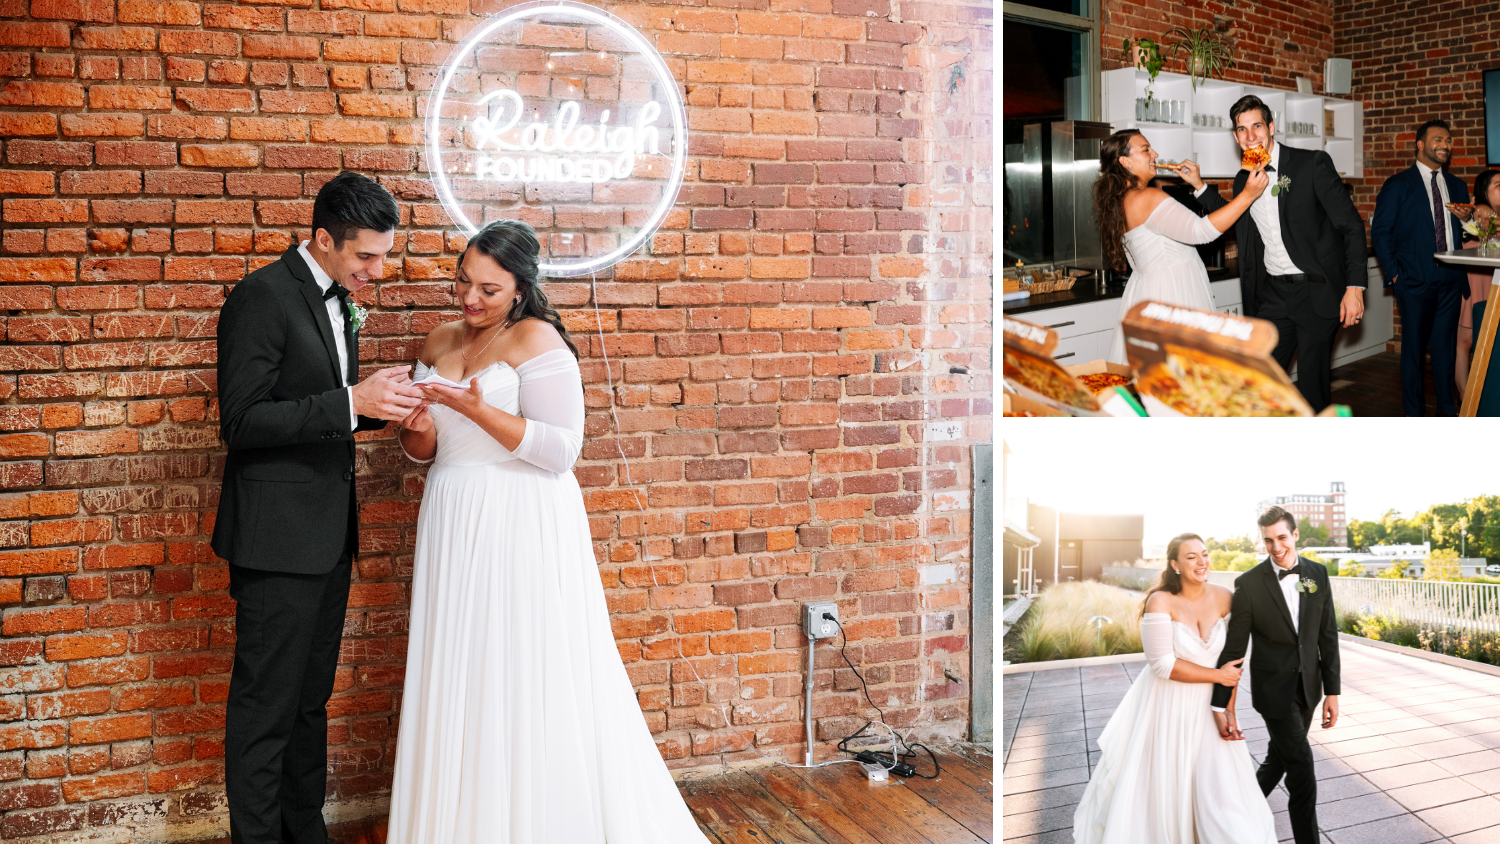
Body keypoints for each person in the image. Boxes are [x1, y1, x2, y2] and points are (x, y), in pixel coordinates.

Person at [388, 220, 709, 843]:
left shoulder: (536, 339)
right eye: (464, 283)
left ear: (519, 289)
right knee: (462, 665)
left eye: (489, 289)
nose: (471, 300)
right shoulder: (439, 339)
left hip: (522, 520)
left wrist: (477, 407)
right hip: (453, 514)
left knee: (522, 665)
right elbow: (420, 450)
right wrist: (420, 423)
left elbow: (563, 450)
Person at [214, 172, 426, 844]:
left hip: (330, 539)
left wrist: (376, 406)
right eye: (366, 256)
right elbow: (242, 421)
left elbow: (322, 410)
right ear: (323, 239)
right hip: (276, 542)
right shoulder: (261, 297)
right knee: (264, 710)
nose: (377, 270)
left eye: (384, 256)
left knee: (309, 706)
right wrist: (348, 403)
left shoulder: (340, 301)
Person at [1073, 533, 1274, 844]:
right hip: (1168, 705)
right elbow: (1162, 665)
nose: (1202, 561)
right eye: (1191, 556)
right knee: (1168, 787)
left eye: (1204, 554)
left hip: (1211, 705)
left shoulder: (1225, 597)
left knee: (1221, 793)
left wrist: (1226, 708)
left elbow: (1233, 662)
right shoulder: (1161, 600)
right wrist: (1217, 677)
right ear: (1175, 564)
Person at [1192, 95, 1368, 413]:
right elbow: (1234, 216)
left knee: (1312, 390)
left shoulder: (1311, 163)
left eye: (1257, 126)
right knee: (1261, 381)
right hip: (1273, 293)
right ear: (1235, 136)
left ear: (1271, 127)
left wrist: (1354, 288)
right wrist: (1199, 187)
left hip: (1316, 289)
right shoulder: (1243, 178)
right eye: (1242, 129)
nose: (1250, 136)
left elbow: (1352, 227)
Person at [1211, 507, 1341, 844]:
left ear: (1295, 535)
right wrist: (1221, 705)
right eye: (1268, 540)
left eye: (1282, 537)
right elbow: (1234, 649)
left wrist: (1333, 692)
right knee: (1301, 770)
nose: (1276, 546)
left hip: (1309, 688)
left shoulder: (1318, 573)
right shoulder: (1249, 583)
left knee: (1277, 760)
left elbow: (1327, 636)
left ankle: (1232, 816)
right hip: (1273, 691)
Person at [1095, 129, 1269, 364]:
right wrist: (1248, 196)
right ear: (1125, 161)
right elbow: (1201, 231)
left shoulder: (1120, 202)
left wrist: (1198, 184)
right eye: (1146, 150)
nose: (1155, 154)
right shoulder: (1148, 197)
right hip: (1174, 294)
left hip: (1146, 294)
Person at [1370, 119, 1472, 415]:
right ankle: (1414, 416)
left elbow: (1465, 233)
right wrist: (1395, 274)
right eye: (1439, 139)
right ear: (1420, 145)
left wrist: (1467, 220)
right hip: (1414, 281)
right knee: (1414, 353)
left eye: (1449, 141)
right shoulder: (1399, 184)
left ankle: (1446, 411)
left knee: (1445, 352)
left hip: (1451, 280)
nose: (1445, 145)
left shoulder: (1456, 186)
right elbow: (1381, 232)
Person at [1457, 169, 1499, 398]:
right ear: (1484, 191)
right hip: (1476, 277)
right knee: (1467, 340)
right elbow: (1491, 232)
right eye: (1498, 185)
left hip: (1490, 275)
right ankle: (1465, 399)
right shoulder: (1483, 210)